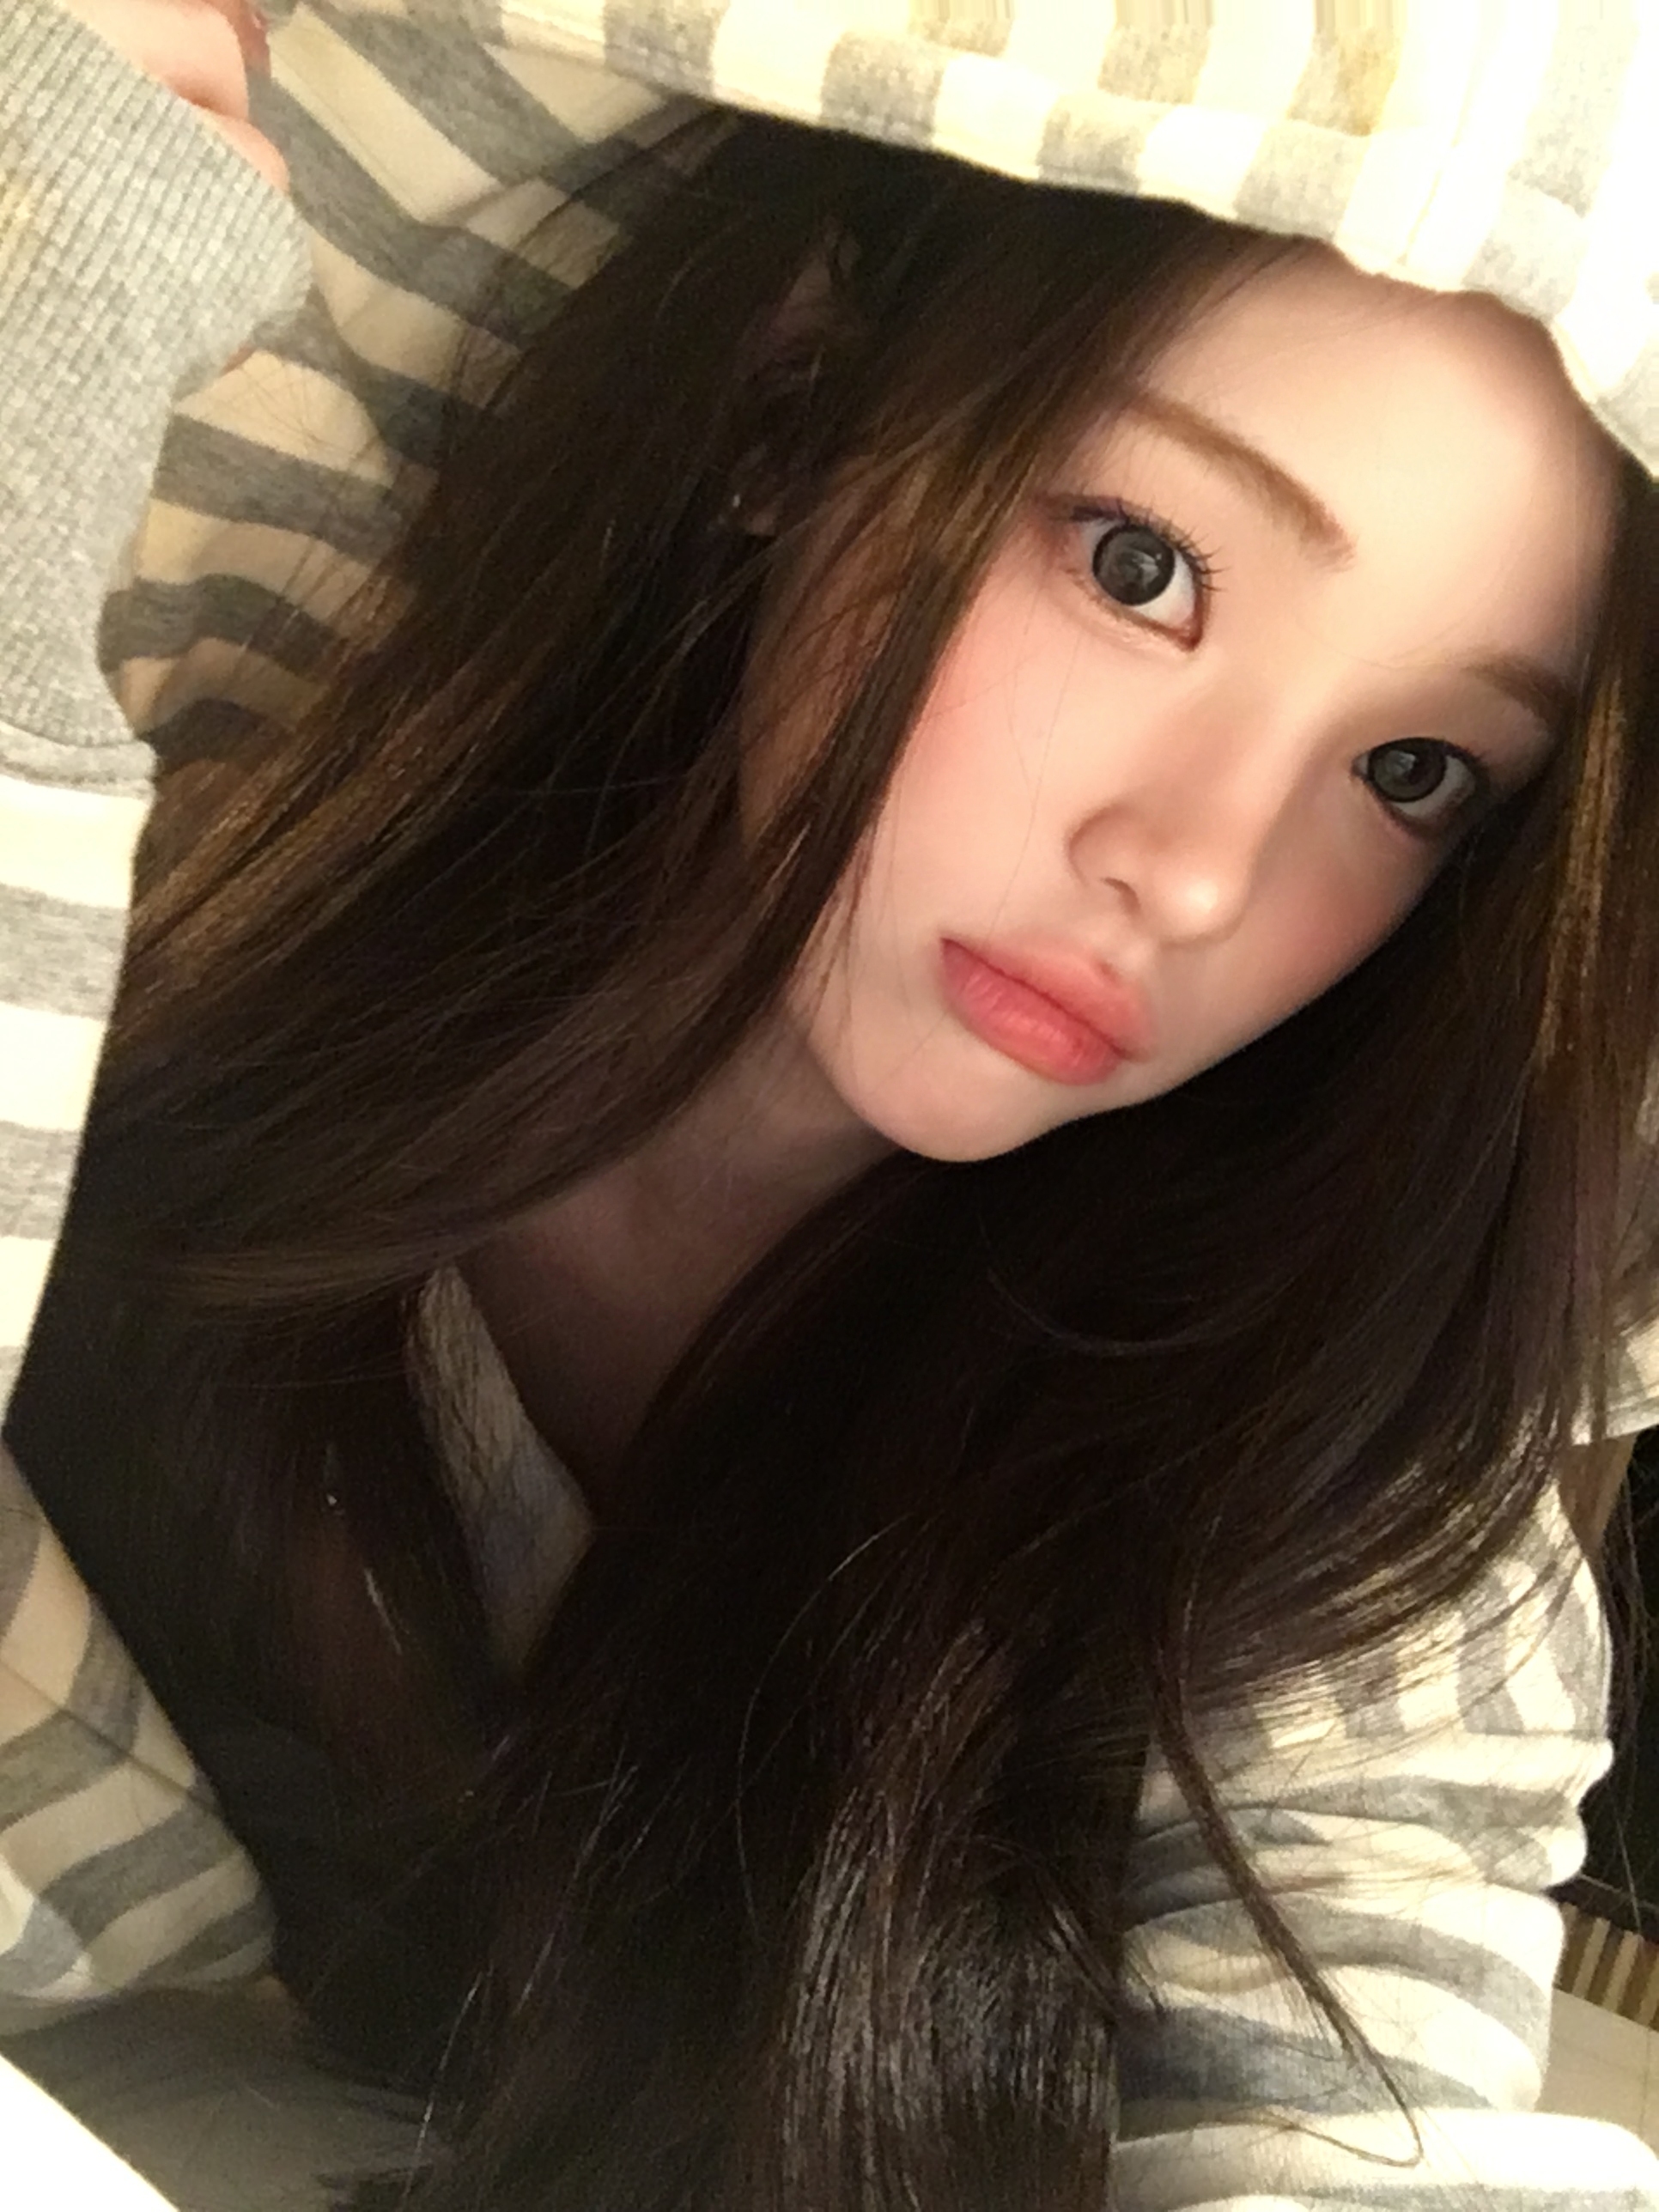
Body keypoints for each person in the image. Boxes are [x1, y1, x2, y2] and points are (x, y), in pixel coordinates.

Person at [3, 3, 1659, 2209]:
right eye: (1142, 570)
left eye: (1414, 770)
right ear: (797, 403)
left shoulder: (1332, 1498)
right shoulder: (174, 892)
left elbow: (1370, 2133)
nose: (1198, 870)